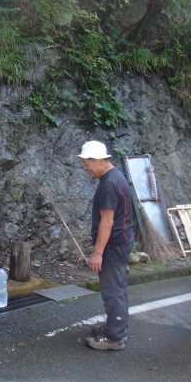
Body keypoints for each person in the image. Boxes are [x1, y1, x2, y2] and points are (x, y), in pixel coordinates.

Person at [78, 141, 134, 350]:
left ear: (99, 160)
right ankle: (116, 326)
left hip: (114, 244)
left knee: (113, 291)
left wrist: (97, 253)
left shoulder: (109, 184)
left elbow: (107, 221)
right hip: (122, 239)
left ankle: (114, 337)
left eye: (87, 162)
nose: (85, 167)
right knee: (118, 288)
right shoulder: (115, 177)